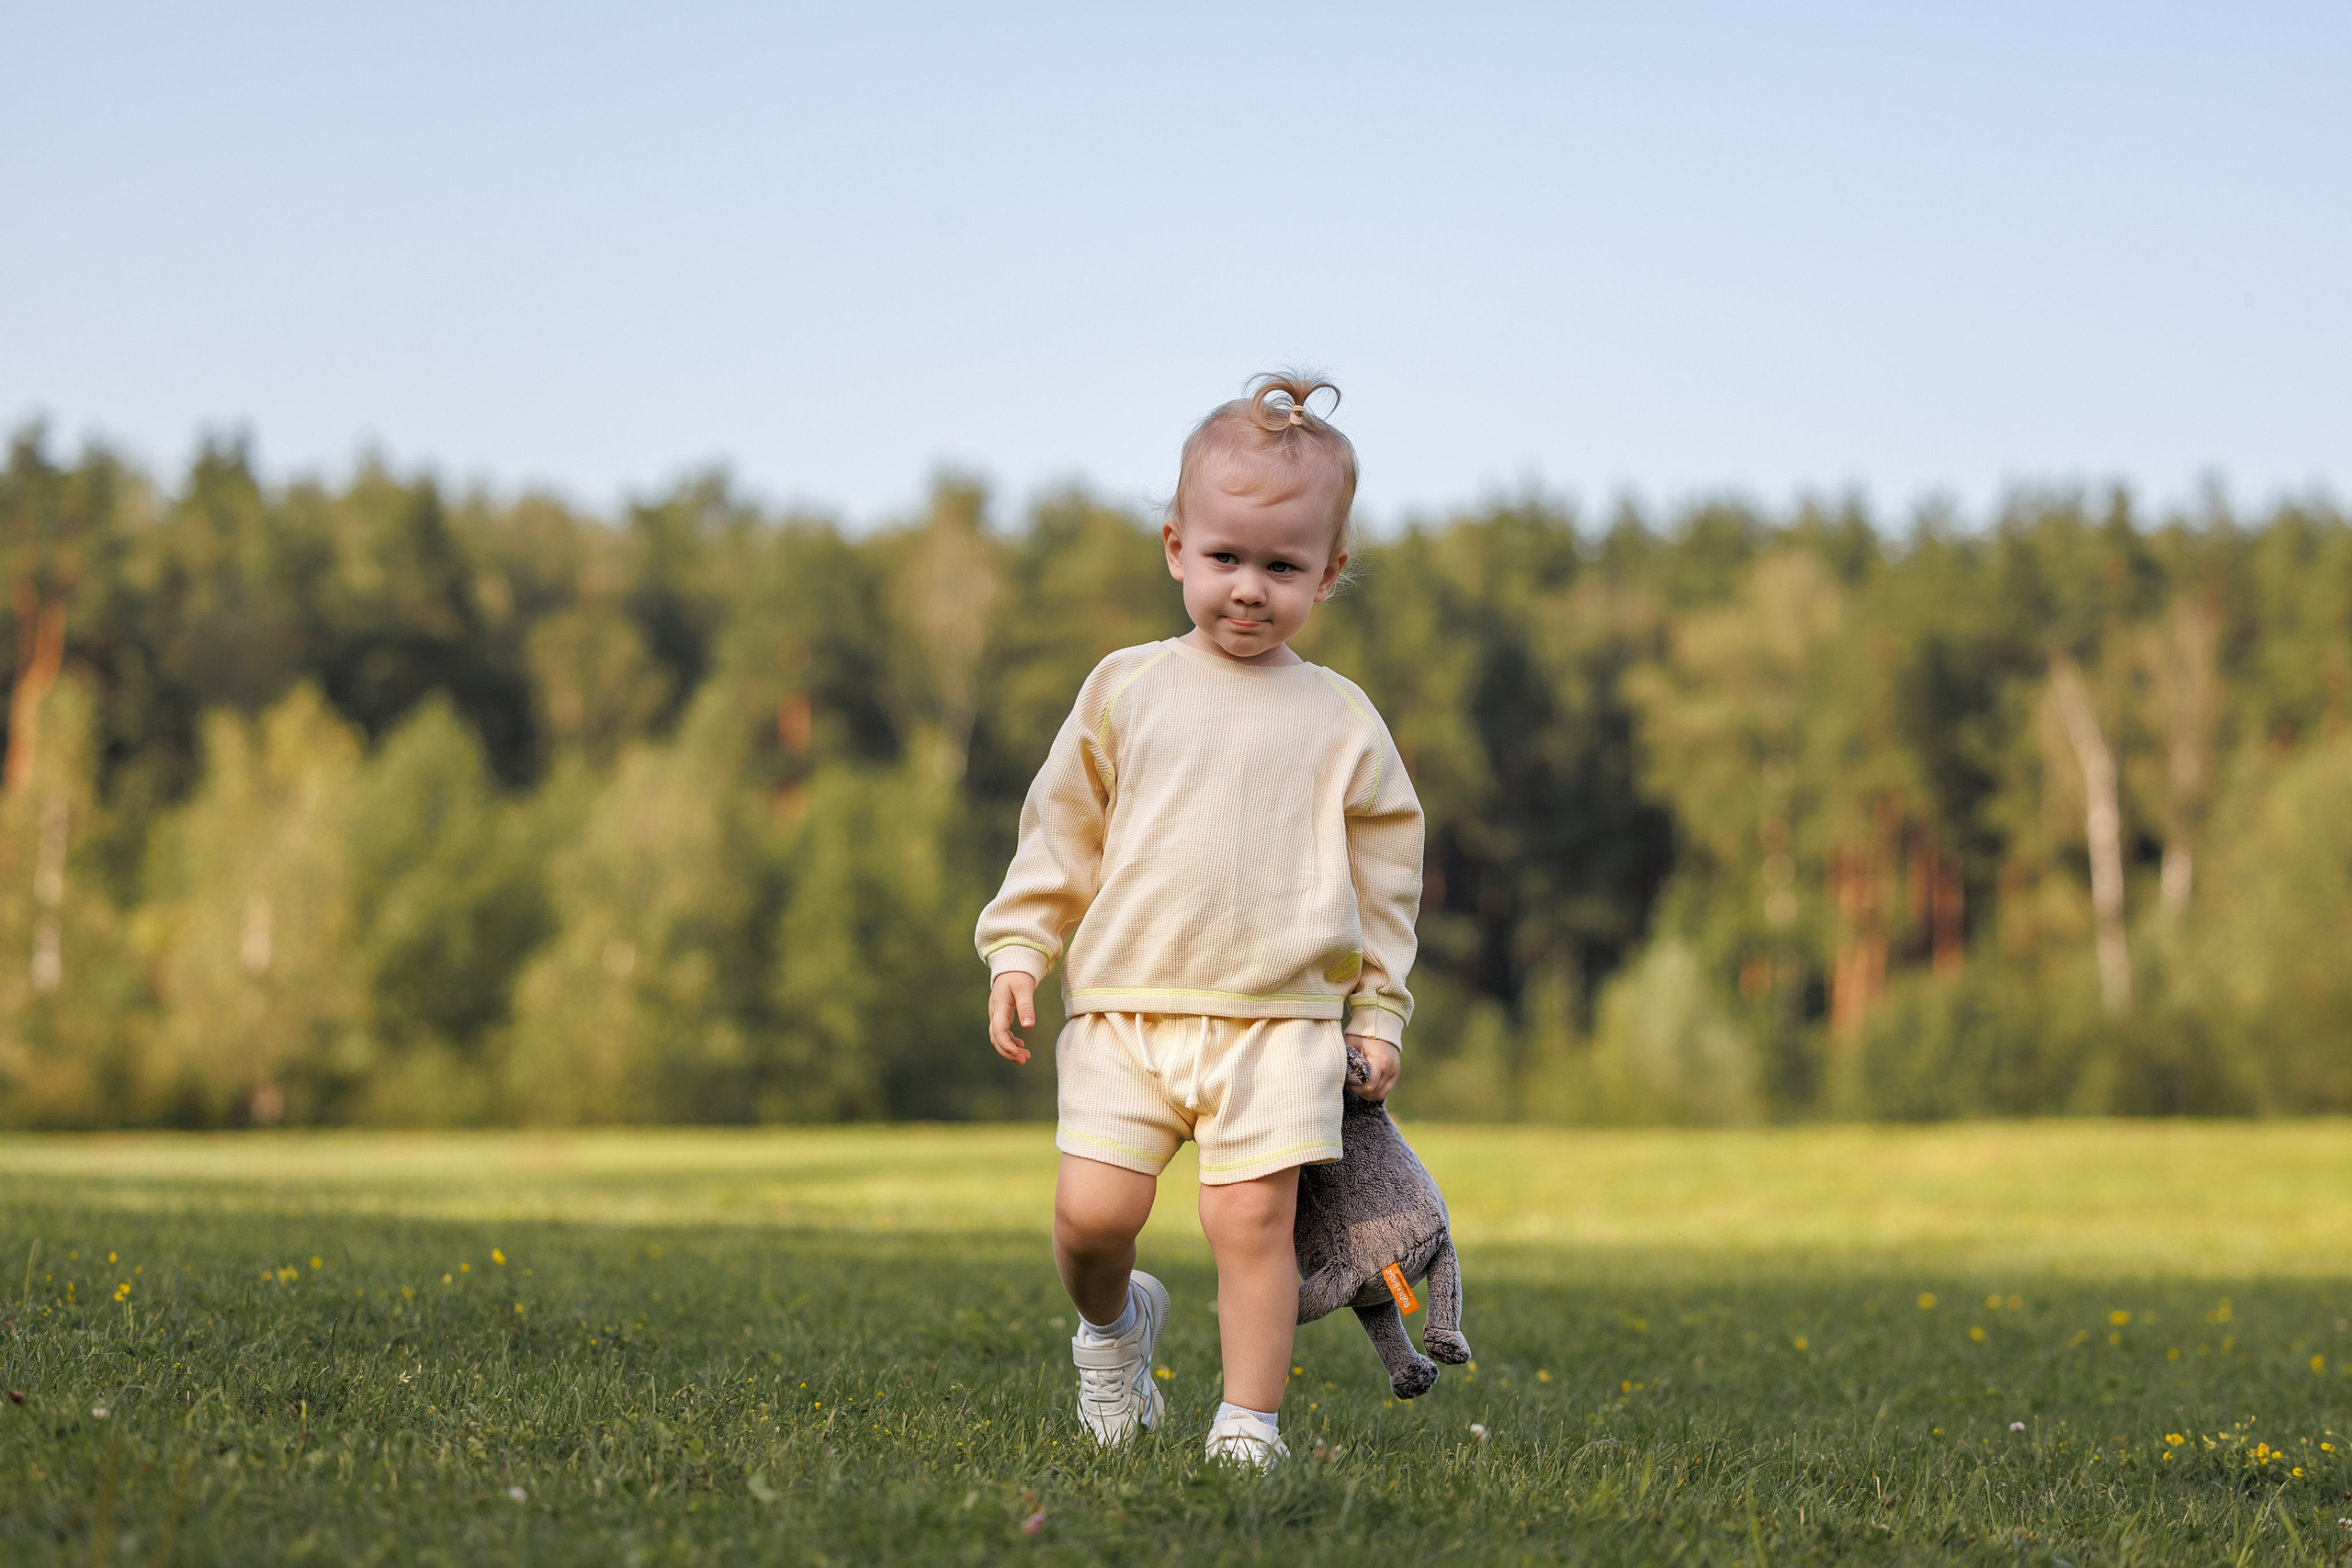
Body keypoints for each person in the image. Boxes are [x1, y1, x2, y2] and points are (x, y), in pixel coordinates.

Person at [977, 371, 1423, 1470]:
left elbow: (1385, 877)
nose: (1249, 590)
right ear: (1177, 549)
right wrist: (1021, 946)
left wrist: (1377, 1012)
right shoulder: (1125, 688)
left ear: (1329, 572)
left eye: (1282, 568)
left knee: (1250, 1227)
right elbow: (1062, 829)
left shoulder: (1341, 719)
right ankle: (1113, 1330)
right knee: (1091, 1218)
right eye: (1226, 558)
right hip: (1125, 1011)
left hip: (1277, 1022)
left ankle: (1247, 1426)